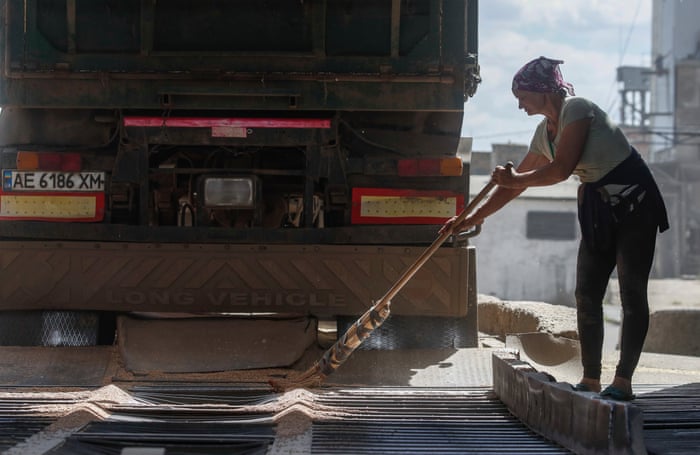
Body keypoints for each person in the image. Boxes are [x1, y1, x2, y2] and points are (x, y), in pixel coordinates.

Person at [442, 56, 669, 400]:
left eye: (522, 95)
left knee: (632, 293)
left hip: (636, 205)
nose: (519, 104)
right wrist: (471, 218)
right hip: (599, 209)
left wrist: (515, 177)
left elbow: (561, 170)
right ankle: (590, 379)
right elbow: (514, 187)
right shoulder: (541, 134)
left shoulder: (577, 109)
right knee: (586, 293)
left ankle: (623, 381)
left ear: (541, 90)